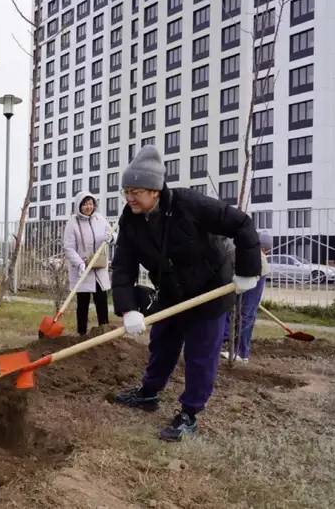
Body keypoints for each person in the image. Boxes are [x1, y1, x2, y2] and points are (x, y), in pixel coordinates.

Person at [109, 145, 261, 442]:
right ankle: (149, 393)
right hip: (170, 291)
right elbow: (124, 266)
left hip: (210, 291)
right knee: (161, 344)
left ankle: (189, 414)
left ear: (154, 191)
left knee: (200, 355)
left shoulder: (189, 204)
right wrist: (128, 309)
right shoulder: (130, 219)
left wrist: (246, 271)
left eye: (135, 191)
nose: (129, 198)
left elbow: (241, 223)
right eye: (126, 191)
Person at [62, 191, 114, 336]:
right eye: (85, 204)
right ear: (79, 205)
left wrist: (110, 238)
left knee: (102, 300)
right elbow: (69, 247)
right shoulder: (72, 223)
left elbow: (113, 233)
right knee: (83, 303)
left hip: (99, 267)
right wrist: (79, 263)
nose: (88, 207)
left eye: (90, 204)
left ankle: (104, 331)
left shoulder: (99, 219)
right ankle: (82, 334)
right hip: (82, 268)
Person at [221, 230, 273, 362]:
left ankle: (242, 353)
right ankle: (231, 344)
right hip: (240, 271)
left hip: (254, 270)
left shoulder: (224, 239)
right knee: (234, 309)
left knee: (246, 313)